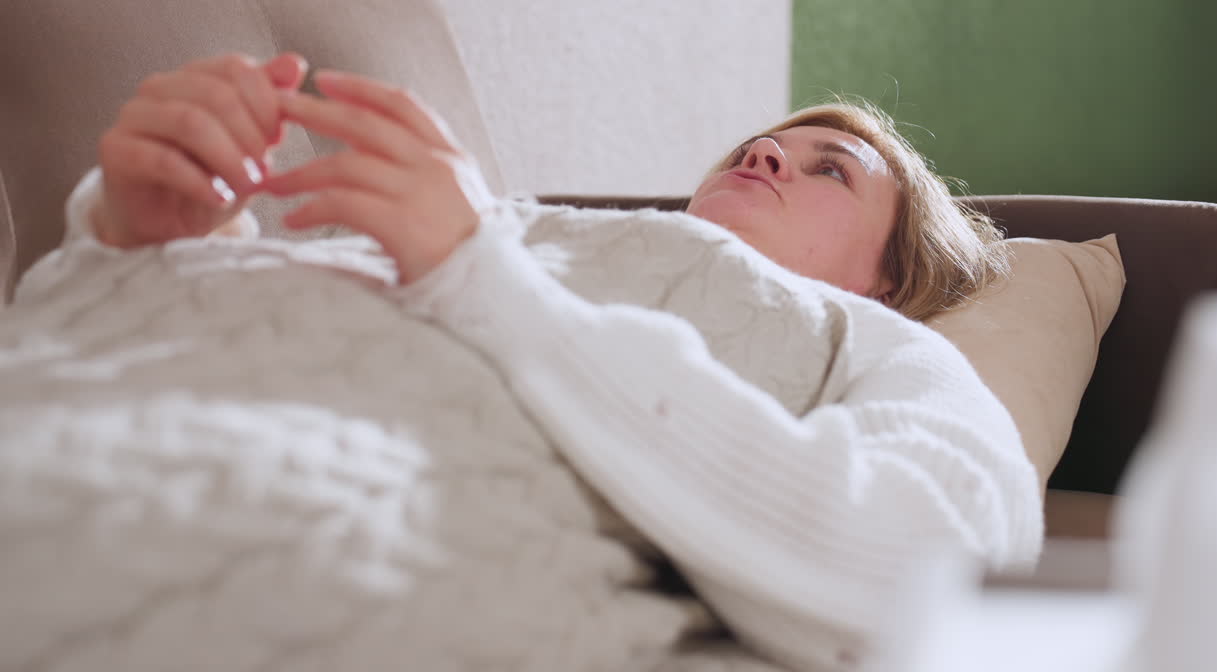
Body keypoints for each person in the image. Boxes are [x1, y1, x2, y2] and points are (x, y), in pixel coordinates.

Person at [2, 52, 1043, 671]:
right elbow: (65, 330)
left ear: (884, 282)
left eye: (831, 171)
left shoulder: (881, 347)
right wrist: (140, 238)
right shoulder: (496, 224)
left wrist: (483, 279)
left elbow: (934, 568)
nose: (766, 151)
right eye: (764, 143)